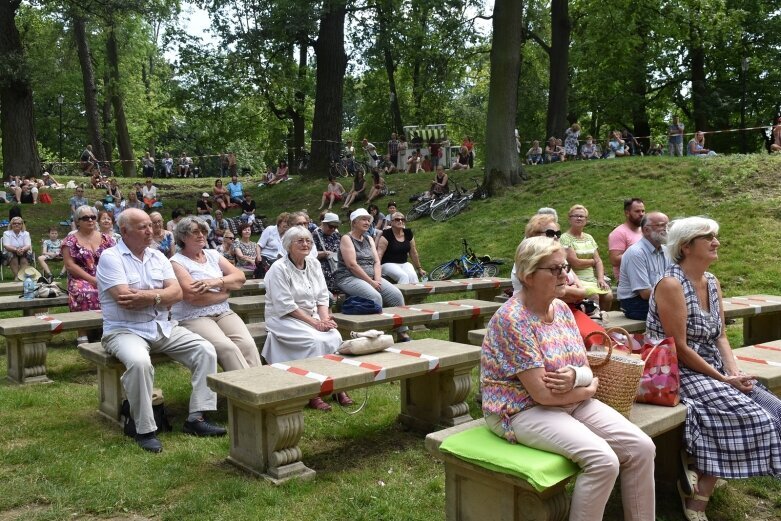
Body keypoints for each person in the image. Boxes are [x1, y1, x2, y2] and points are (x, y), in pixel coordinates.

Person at [481, 236, 655, 521]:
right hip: (519, 409)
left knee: (642, 448)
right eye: (555, 269)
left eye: (564, 266)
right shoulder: (512, 319)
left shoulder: (560, 309)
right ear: (527, 275)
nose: (565, 274)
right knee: (603, 461)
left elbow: (584, 367)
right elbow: (543, 395)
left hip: (568, 399)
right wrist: (587, 389)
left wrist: (576, 376)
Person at [646, 217, 781, 521]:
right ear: (686, 246)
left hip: (712, 367)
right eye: (708, 237)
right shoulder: (671, 283)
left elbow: (720, 335)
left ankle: (700, 470)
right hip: (678, 372)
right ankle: (698, 497)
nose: (716, 242)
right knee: (754, 416)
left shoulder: (713, 281)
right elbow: (679, 347)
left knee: (777, 411)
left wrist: (734, 374)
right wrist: (724, 379)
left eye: (715, 236)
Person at [98, 208, 225, 453]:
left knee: (205, 350)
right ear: (124, 231)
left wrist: (149, 297)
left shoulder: (157, 256)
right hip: (124, 330)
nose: (151, 230)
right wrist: (161, 296)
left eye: (151, 225)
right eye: (143, 227)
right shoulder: (111, 257)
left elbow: (177, 294)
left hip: (162, 327)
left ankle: (197, 418)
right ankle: (145, 429)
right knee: (139, 363)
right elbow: (124, 297)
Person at [261, 225, 350, 411]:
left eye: (308, 240)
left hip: (312, 315)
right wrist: (315, 323)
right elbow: (286, 305)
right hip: (283, 317)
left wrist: (324, 319)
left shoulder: (314, 263)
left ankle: (336, 385)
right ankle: (312, 392)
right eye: (299, 241)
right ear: (288, 245)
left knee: (334, 336)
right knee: (313, 340)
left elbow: (322, 295)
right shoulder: (278, 269)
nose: (305, 244)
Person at [171, 216, 261, 371]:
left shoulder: (212, 254)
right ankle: (245, 390)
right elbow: (194, 297)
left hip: (223, 311)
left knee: (248, 344)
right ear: (183, 237)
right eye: (195, 232)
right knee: (227, 348)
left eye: (204, 231)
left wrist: (215, 282)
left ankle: (260, 387)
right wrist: (224, 294)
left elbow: (239, 278)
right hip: (193, 316)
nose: (201, 235)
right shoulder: (176, 262)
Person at [335, 208, 410, 342]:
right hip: (349, 277)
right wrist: (371, 282)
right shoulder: (347, 238)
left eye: (368, 220)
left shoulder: (369, 238)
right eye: (363, 219)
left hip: (371, 277)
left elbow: (376, 261)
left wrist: (377, 279)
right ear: (354, 222)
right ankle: (376, 336)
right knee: (374, 296)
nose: (367, 222)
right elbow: (352, 265)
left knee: (396, 295)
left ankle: (401, 332)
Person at [63, 205, 116, 344]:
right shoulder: (70, 241)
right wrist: (93, 280)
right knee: (84, 291)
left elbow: (116, 260)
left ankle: (109, 329)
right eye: (85, 218)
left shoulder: (107, 239)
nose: (90, 220)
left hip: (105, 276)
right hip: (80, 277)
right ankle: (82, 332)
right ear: (77, 221)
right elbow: (70, 265)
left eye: (93, 217)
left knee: (118, 290)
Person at [617, 212, 671, 320]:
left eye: (667, 225)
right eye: (661, 225)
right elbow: (645, 293)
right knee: (678, 312)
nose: (666, 229)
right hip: (635, 303)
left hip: (658, 298)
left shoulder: (666, 251)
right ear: (646, 230)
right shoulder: (636, 253)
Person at [561, 204, 613, 314]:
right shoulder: (565, 238)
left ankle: (602, 321)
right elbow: (575, 262)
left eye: (581, 216)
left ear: (586, 219)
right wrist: (593, 261)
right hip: (577, 279)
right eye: (575, 216)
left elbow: (599, 261)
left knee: (608, 295)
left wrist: (600, 278)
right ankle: (594, 324)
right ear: (569, 218)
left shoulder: (589, 237)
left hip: (592, 279)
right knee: (593, 295)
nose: (579, 218)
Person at [376, 212, 426, 284]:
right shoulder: (387, 234)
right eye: (397, 219)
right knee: (403, 276)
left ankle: (415, 295)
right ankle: (401, 295)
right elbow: (379, 253)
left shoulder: (408, 233)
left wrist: (419, 269)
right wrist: (377, 270)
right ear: (391, 222)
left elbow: (413, 252)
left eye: (402, 219)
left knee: (413, 276)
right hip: (387, 264)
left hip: (404, 263)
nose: (400, 221)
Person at [608, 197, 646, 281]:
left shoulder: (645, 231)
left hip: (645, 277)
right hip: (628, 283)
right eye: (637, 211)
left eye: (643, 211)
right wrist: (642, 255)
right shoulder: (619, 233)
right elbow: (614, 260)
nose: (641, 214)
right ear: (627, 213)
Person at [312, 212, 342, 294]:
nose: (333, 229)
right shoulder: (315, 235)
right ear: (324, 224)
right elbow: (310, 254)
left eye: (335, 226)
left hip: (337, 264)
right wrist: (324, 253)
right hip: (324, 266)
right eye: (331, 226)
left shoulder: (336, 234)